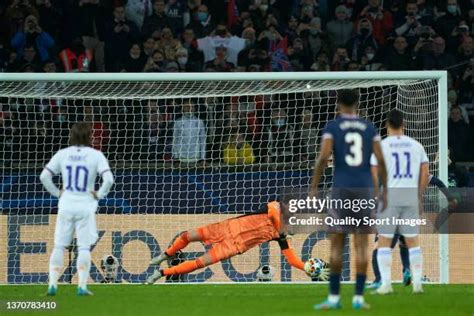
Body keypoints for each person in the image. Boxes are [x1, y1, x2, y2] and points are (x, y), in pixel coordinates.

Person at [311, 89, 387, 310]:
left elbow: (324, 157)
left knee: (337, 245)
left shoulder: (332, 126)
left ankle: (334, 298)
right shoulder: (369, 127)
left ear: (338, 104)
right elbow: (381, 160)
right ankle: (359, 299)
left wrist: (314, 186)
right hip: (364, 190)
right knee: (362, 245)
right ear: (358, 104)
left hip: (341, 189)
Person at [146, 200, 307, 283]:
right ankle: (166, 255)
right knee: (188, 235)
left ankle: (160, 274)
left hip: (233, 247)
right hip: (227, 227)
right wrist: (282, 232)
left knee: (199, 263)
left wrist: (308, 268)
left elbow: (292, 260)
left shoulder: (281, 236)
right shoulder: (277, 207)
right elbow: (272, 213)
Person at [40, 123, 114, 296]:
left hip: (66, 204)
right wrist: (99, 194)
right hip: (85, 205)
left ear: (71, 135)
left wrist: (58, 192)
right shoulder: (96, 155)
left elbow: (44, 176)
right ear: (90, 136)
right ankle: (81, 286)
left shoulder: (63, 154)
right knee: (83, 247)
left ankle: (52, 284)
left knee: (59, 245)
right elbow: (109, 179)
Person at [370, 109, 428, 294]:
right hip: (410, 196)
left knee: (384, 242)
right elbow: (425, 173)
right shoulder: (416, 145)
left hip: (390, 197)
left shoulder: (382, 146)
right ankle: (417, 284)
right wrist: (419, 196)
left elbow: (372, 172)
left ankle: (386, 284)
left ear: (387, 125)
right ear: (403, 124)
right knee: (413, 242)